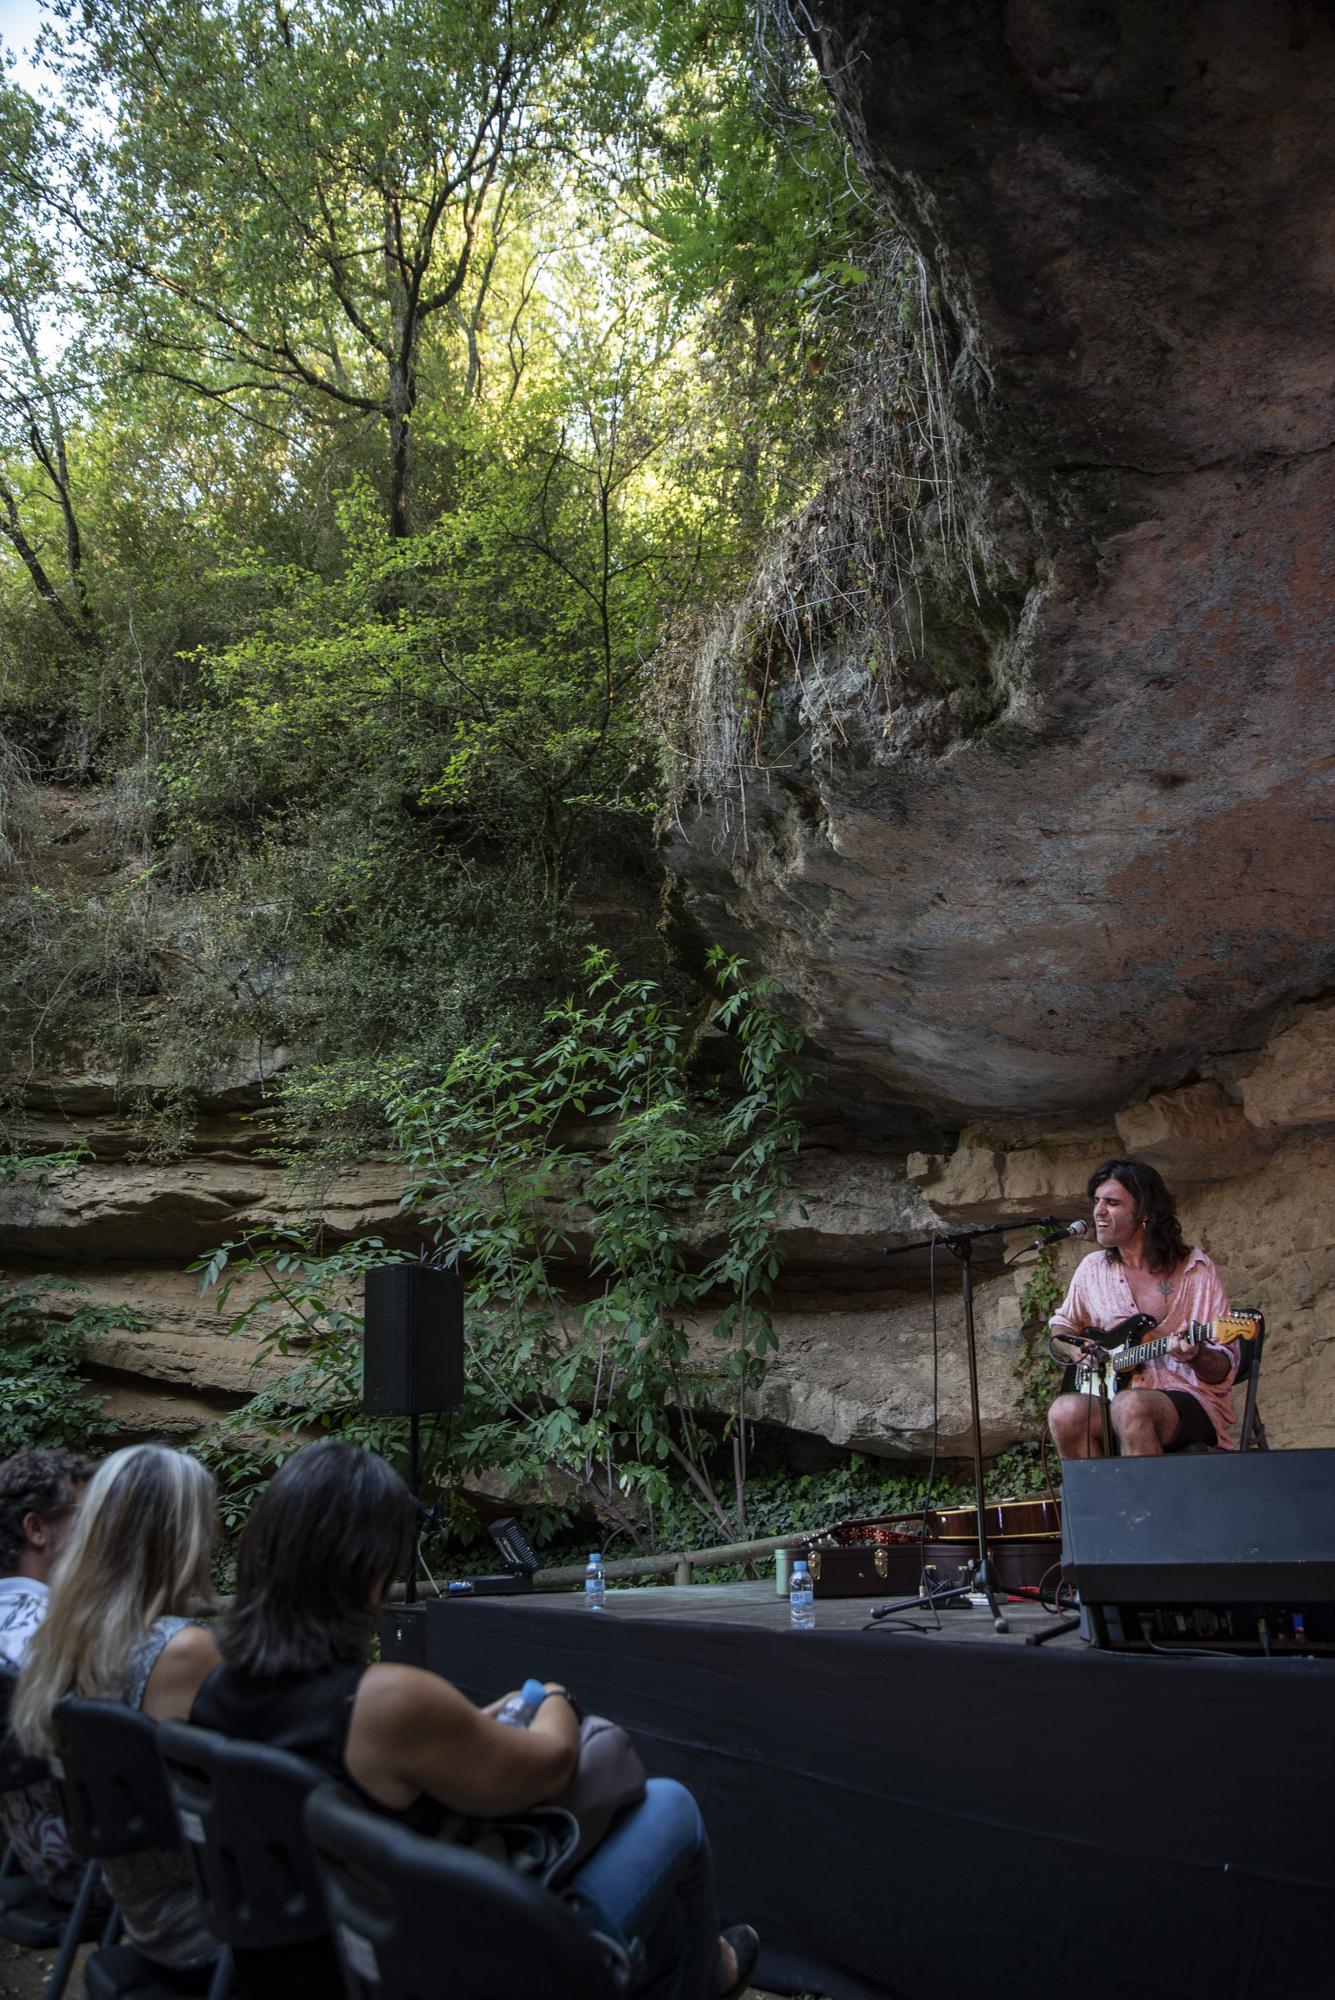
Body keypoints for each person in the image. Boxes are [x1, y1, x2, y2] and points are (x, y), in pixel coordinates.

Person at [192, 1440, 758, 2000]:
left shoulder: (217, 1686)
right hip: (426, 1964)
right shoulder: (381, 1703)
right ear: (362, 1568)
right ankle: (704, 1974)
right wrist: (554, 1696)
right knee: (670, 1806)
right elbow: (551, 1763)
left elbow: (385, 1767)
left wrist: (474, 1723)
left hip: (287, 1961)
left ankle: (698, 1971)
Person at [13, 1445, 223, 1991]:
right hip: (209, 1925)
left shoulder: (68, 1637)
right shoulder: (181, 1650)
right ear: (180, 1534)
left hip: (138, 1912)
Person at [1047, 1157, 1237, 1457]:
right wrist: (1075, 1348)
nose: (1098, 1211)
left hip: (1189, 1399)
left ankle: (1148, 1506)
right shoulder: (1092, 1269)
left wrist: (1197, 1354)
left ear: (1145, 1213)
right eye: (1097, 1201)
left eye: (1112, 1202)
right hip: (1111, 1394)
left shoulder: (1194, 1270)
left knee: (1131, 1406)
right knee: (1064, 1412)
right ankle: (1103, 1504)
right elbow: (1063, 1326)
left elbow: (1222, 1370)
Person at [0, 1446, 92, 1899]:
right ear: (36, 1529)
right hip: (92, 1867)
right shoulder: (51, 1636)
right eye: (85, 1515)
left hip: (26, 1851)